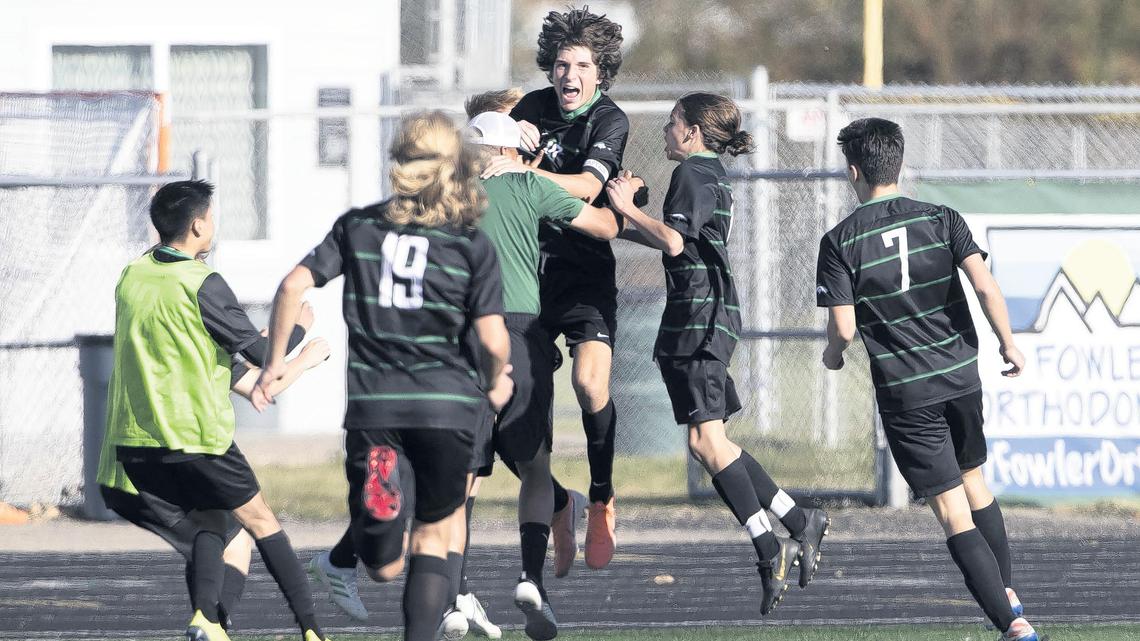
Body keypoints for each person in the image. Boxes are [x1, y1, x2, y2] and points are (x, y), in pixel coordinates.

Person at [253, 112, 513, 641]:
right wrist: (496, 381)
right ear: (455, 167)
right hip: (448, 406)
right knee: (435, 535)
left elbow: (291, 287)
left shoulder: (359, 227)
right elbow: (491, 339)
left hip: (375, 407)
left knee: (382, 565)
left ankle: (379, 500)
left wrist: (274, 363)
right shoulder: (470, 245)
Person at [815, 117, 1040, 640]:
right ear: (899, 164)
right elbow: (985, 287)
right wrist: (1008, 342)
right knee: (975, 481)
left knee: (949, 510)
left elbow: (844, 329)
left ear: (853, 171)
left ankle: (1014, 626)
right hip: (961, 377)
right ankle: (1004, 591)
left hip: (906, 392)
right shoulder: (943, 218)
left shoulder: (840, 241)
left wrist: (832, 355)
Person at [605, 93, 830, 616]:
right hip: (701, 318)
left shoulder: (692, 175)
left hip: (700, 321)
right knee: (713, 442)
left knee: (707, 444)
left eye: (672, 123)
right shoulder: (708, 174)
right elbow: (680, 243)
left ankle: (770, 545)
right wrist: (627, 218)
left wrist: (626, 208)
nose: (665, 130)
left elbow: (677, 243)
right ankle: (798, 522)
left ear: (693, 131)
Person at [106, 180, 329, 641]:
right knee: (261, 521)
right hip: (195, 435)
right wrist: (303, 340)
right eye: (212, 217)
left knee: (216, 525)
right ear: (198, 225)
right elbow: (262, 355)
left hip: (135, 443)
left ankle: (207, 622)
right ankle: (312, 630)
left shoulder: (133, 275)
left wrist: (276, 369)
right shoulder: (202, 283)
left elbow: (218, 364)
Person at [451, 110, 619, 640]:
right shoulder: (525, 184)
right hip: (521, 331)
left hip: (459, 338)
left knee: (463, 478)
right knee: (536, 466)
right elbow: (604, 226)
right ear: (508, 152)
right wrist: (625, 199)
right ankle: (530, 577)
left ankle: (454, 592)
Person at [487, 6, 629, 574]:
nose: (570, 75)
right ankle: (558, 501)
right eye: (562, 64)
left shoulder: (610, 121)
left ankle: (600, 496)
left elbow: (587, 188)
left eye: (582, 65)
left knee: (590, 383)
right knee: (514, 417)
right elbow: (490, 157)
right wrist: (503, 138)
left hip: (585, 274)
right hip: (528, 277)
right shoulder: (531, 109)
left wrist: (523, 171)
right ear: (550, 68)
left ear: (600, 73)